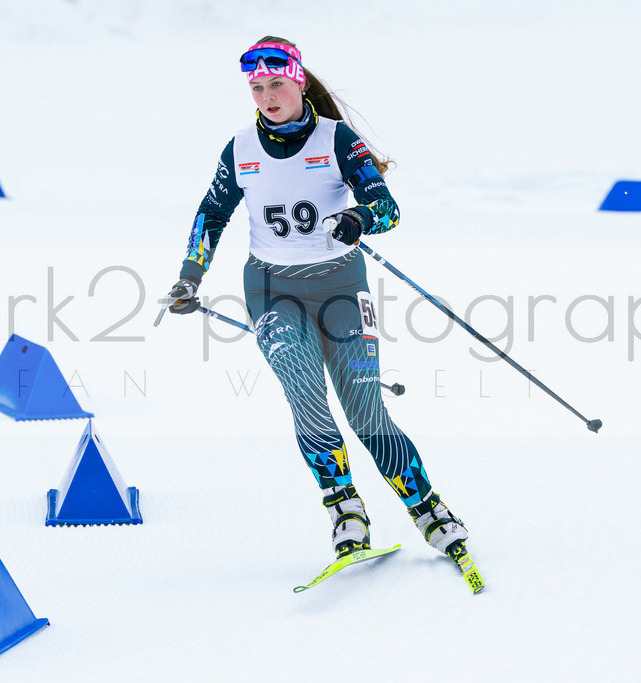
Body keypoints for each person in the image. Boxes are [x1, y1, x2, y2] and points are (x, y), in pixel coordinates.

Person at [168, 36, 469, 561]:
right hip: (271, 290)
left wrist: (358, 217)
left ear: (299, 81)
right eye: (257, 88)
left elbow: (387, 207)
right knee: (307, 400)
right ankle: (345, 510)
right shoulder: (239, 149)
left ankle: (427, 508)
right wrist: (189, 276)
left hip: (342, 287)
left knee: (366, 412)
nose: (267, 96)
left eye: (276, 84)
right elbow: (211, 214)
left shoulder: (336, 138)